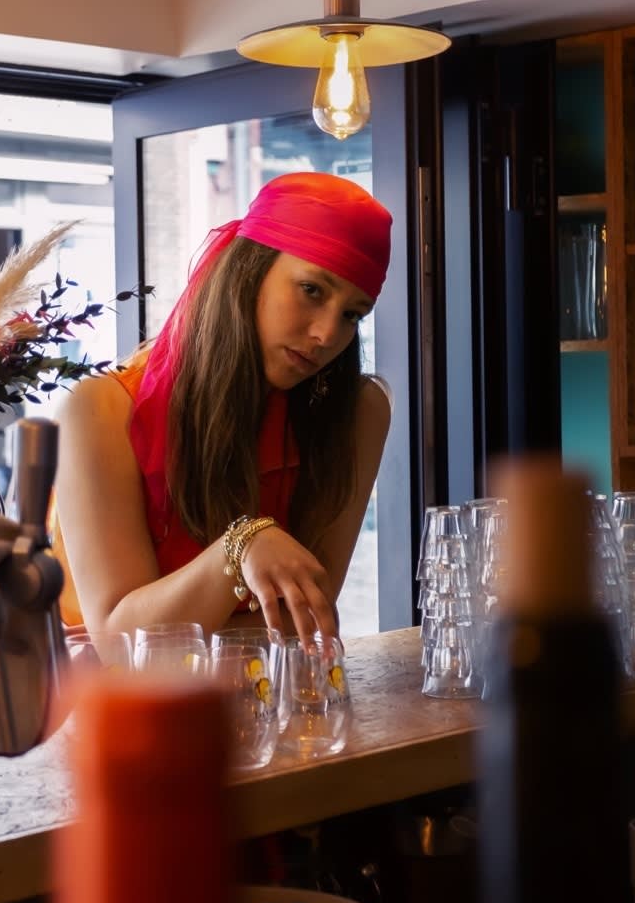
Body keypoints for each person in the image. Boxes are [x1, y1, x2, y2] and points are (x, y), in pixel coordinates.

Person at [54, 171, 393, 646]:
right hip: (118, 710)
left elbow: (308, 618)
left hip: (267, 700)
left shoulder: (357, 412)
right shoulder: (101, 409)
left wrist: (165, 624)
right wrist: (240, 547)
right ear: (247, 271)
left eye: (353, 314)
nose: (327, 335)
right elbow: (119, 643)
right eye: (312, 290)